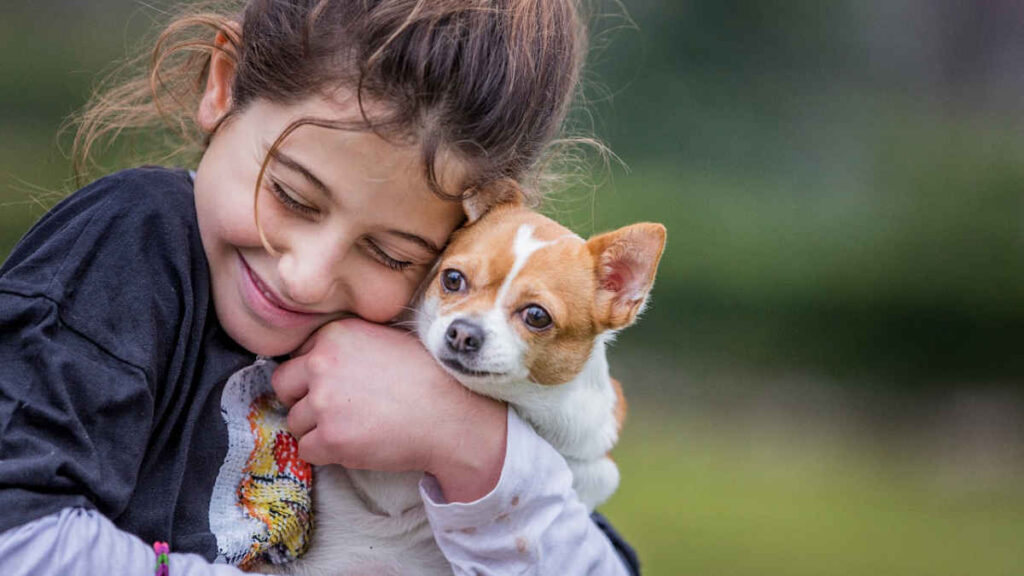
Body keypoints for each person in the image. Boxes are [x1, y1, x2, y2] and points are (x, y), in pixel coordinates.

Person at [0, 1, 639, 574]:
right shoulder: (136, 245)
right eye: (291, 195)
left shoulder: (436, 345)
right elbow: (16, 536)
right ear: (223, 85)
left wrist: (472, 449)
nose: (305, 276)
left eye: (388, 253)